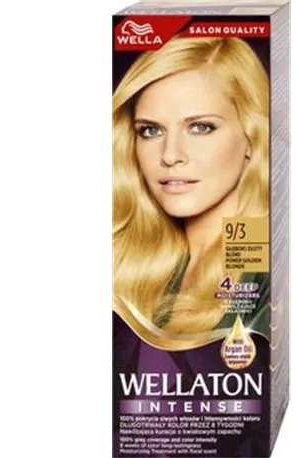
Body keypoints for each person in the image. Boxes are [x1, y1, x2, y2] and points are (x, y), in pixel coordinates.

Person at [113, 36, 269, 338]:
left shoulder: (267, 270)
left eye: (201, 127)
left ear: (252, 136)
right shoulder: (133, 261)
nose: (170, 155)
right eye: (151, 130)